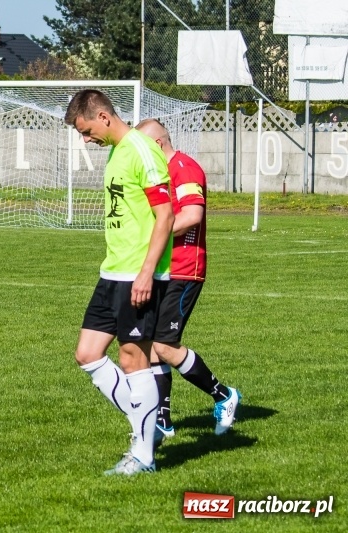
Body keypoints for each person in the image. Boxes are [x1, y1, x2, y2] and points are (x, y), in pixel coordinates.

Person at [64, 90, 174, 476]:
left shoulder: (142, 150)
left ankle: (143, 454)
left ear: (104, 117)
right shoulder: (115, 152)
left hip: (137, 275)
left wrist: (147, 272)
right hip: (111, 272)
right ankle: (147, 425)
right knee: (87, 353)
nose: (86, 139)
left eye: (87, 130)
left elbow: (165, 215)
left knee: (132, 360)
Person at [135, 119, 241, 444]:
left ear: (156, 144)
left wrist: (154, 235)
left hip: (185, 269)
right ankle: (163, 420)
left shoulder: (185, 168)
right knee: (151, 343)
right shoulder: (159, 175)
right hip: (163, 269)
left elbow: (193, 215)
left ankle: (223, 395)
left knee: (165, 345)